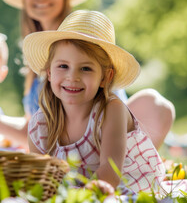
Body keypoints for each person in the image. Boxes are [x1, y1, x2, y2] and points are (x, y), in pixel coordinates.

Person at [0, 0, 174, 151]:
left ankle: (116, 172)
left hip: (103, 137)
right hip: (62, 150)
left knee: (154, 104)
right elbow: (35, 128)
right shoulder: (33, 61)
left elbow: (100, 114)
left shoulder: (88, 40)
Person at [24, 10, 165, 192]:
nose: (72, 76)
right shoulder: (40, 125)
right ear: (49, 73)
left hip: (127, 190)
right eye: (63, 66)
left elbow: (109, 174)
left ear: (105, 77)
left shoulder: (111, 110)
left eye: (85, 68)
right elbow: (39, 179)